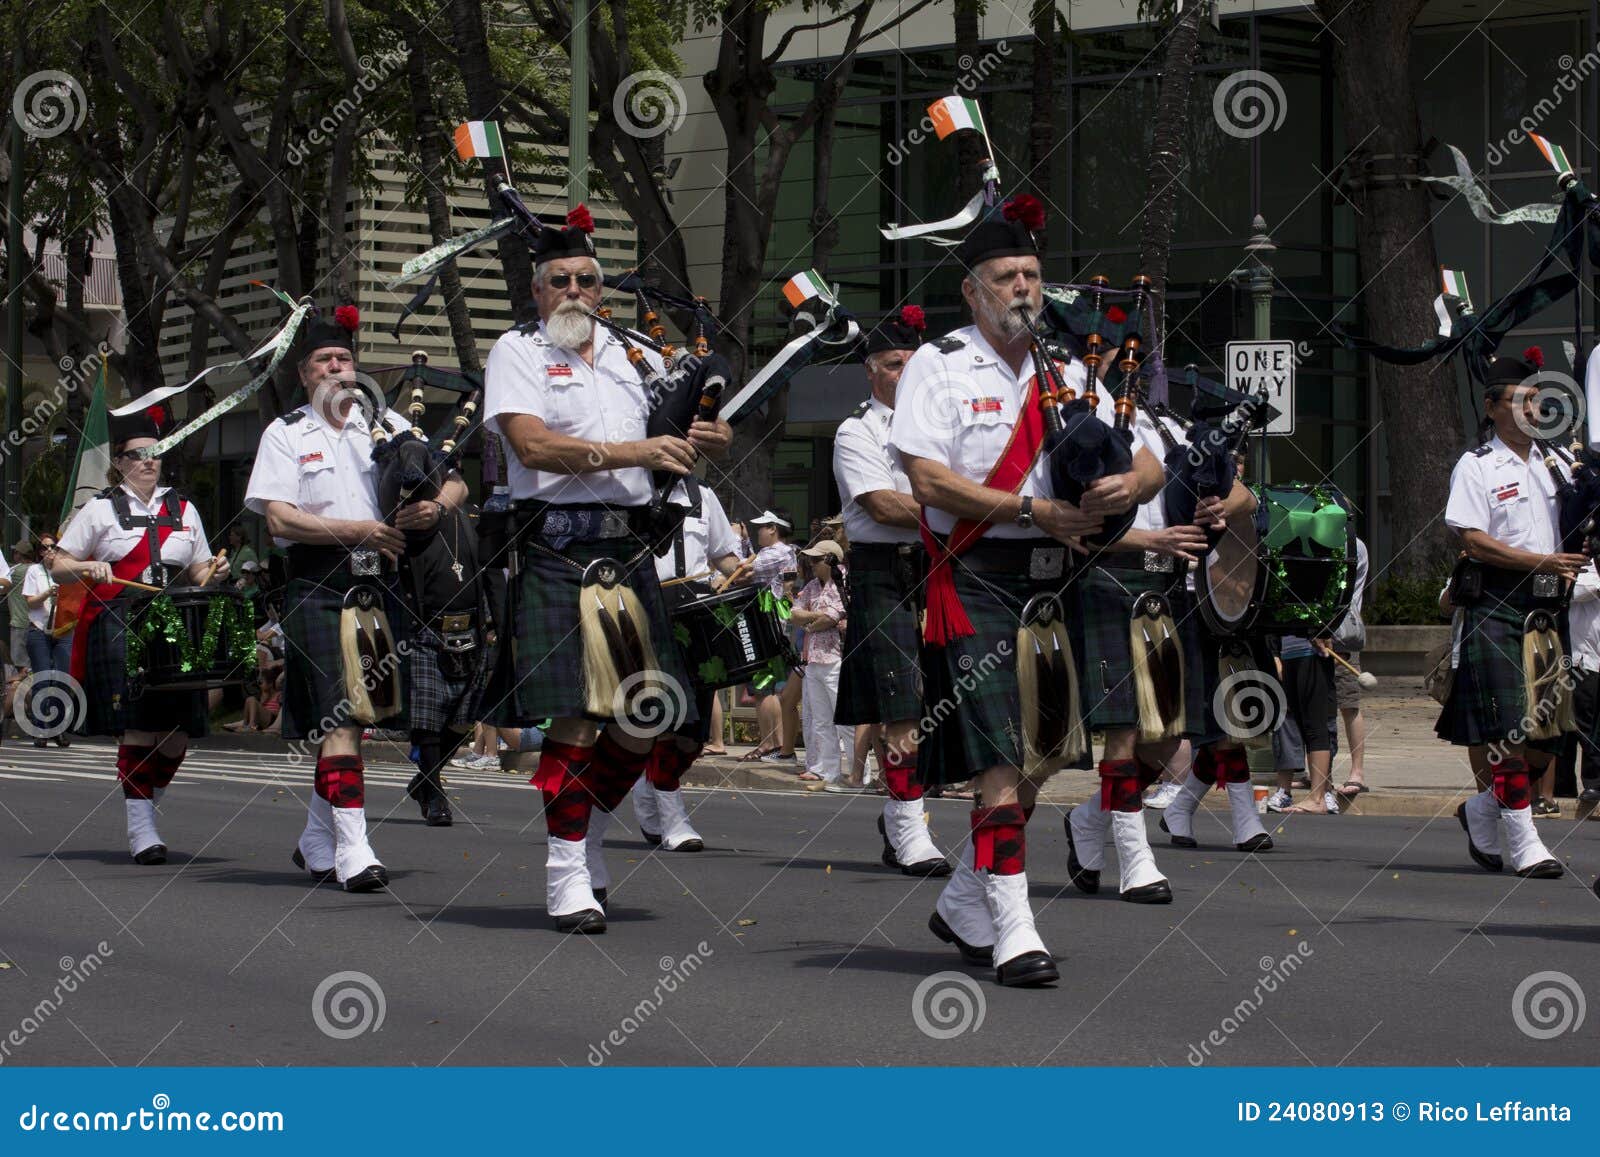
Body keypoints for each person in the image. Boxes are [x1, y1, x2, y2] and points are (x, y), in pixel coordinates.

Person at [890, 195, 1150, 987]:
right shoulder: (938, 365)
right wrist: (1034, 508)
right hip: (980, 576)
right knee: (1002, 758)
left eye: (1033, 275)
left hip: (1059, 579)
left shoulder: (1070, 371)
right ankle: (1015, 924)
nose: (1023, 289)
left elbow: (1149, 462)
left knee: (1041, 756)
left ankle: (967, 897)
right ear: (973, 290)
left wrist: (1123, 491)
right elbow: (927, 478)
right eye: (1006, 276)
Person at [483, 204, 732, 933]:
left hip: (629, 548)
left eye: (586, 280)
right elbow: (530, 445)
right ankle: (565, 870)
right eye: (557, 280)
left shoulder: (637, 358)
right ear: (537, 291)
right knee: (582, 715)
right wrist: (637, 454)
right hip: (559, 546)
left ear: (603, 291)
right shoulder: (518, 351)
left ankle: (585, 825)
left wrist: (708, 435)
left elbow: (684, 431)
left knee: (647, 716)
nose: (572, 291)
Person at [246, 303, 466, 892]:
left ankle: (318, 838)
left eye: (344, 358)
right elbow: (279, 520)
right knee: (342, 714)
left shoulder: (390, 425)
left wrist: (435, 506)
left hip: (385, 583)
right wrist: (358, 530)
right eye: (323, 360)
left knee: (361, 717)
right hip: (320, 581)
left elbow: (456, 477)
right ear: (305, 374)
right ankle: (355, 847)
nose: (336, 368)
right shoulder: (286, 433)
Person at [52, 405, 230, 864]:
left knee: (175, 736)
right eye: (138, 455)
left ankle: (145, 805)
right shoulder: (99, 509)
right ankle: (141, 829)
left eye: (155, 453)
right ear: (119, 463)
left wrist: (214, 569)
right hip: (119, 623)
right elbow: (57, 565)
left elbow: (197, 570)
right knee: (137, 728)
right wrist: (85, 565)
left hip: (175, 627)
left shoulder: (184, 508)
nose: (148, 461)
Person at [1440, 349, 1572, 880]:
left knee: (1547, 738)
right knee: (1509, 735)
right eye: (1521, 400)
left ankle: (1480, 811)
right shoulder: (1476, 466)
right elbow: (1471, 540)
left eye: (1538, 398)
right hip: (1497, 603)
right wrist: (1541, 560)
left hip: (1547, 609)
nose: (1533, 408)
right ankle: (1525, 844)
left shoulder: (1559, 463)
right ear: (1493, 407)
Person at [832, 304, 948, 874]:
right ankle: (909, 828)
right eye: (895, 364)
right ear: (872, 371)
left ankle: (904, 813)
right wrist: (965, 509)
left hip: (945, 568)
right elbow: (881, 503)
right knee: (903, 704)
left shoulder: (945, 430)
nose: (906, 373)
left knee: (947, 702)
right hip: (887, 572)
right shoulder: (857, 429)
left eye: (914, 363)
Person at [634, 476, 742, 850]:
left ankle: (649, 783)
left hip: (697, 613)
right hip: (650, 609)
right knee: (666, 715)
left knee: (693, 732)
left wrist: (746, 572)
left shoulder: (704, 495)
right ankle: (673, 818)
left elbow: (723, 554)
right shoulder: (633, 489)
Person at [791, 540, 853, 786]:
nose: (812, 564)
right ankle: (826, 769)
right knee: (820, 718)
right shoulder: (811, 586)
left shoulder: (844, 581)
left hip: (837, 656)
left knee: (845, 719)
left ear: (830, 559)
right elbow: (794, 614)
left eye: (817, 559)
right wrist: (814, 619)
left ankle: (858, 770)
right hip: (814, 657)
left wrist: (810, 621)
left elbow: (832, 617)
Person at [742, 509, 800, 764]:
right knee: (765, 686)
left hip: (769, 621)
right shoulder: (778, 552)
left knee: (765, 685)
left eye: (761, 528)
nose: (758, 532)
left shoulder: (778, 552)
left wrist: (737, 541)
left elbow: (742, 569)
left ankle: (772, 744)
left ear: (773, 528)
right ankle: (770, 743)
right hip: (766, 620)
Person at [21, 536, 72, 748]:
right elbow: (30, 602)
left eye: (53, 546)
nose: (49, 550)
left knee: (62, 680)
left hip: (63, 629)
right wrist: (46, 593)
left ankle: (57, 729)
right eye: (45, 548)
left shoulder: (68, 570)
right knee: (43, 680)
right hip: (39, 630)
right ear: (40, 552)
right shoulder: (34, 571)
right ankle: (41, 729)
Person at [1333, 537, 1371, 800]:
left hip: (1342, 632)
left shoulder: (1351, 545)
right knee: (1314, 706)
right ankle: (1315, 771)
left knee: (1348, 703)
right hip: (1314, 633)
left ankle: (1357, 771)